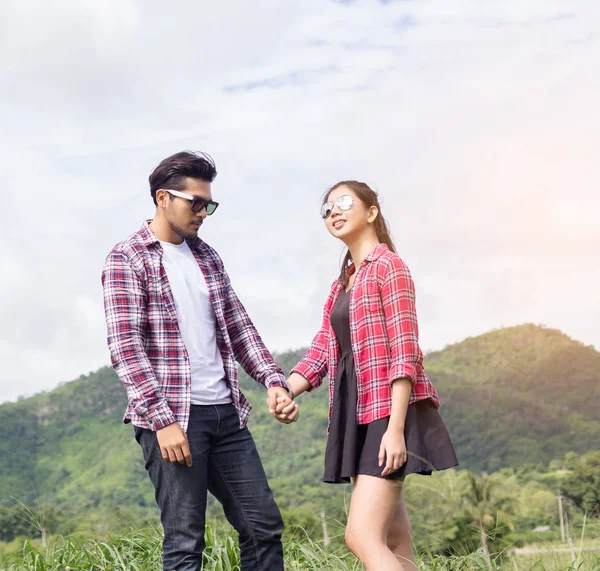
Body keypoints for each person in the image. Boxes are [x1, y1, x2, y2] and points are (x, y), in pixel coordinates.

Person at [102, 150, 296, 571]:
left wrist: (274, 380)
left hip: (226, 415)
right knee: (186, 541)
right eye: (195, 202)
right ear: (162, 198)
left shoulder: (207, 257)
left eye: (209, 204)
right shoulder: (128, 258)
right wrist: (162, 420)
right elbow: (125, 346)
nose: (203, 212)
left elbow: (239, 327)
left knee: (263, 526)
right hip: (172, 418)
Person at [270, 181, 458, 571]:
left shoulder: (389, 267)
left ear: (371, 212)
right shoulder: (343, 283)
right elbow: (324, 349)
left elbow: (405, 351)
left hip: (388, 412)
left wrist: (394, 428)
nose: (333, 212)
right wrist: (287, 388)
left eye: (343, 203)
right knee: (393, 537)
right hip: (357, 411)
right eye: (327, 209)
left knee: (360, 536)